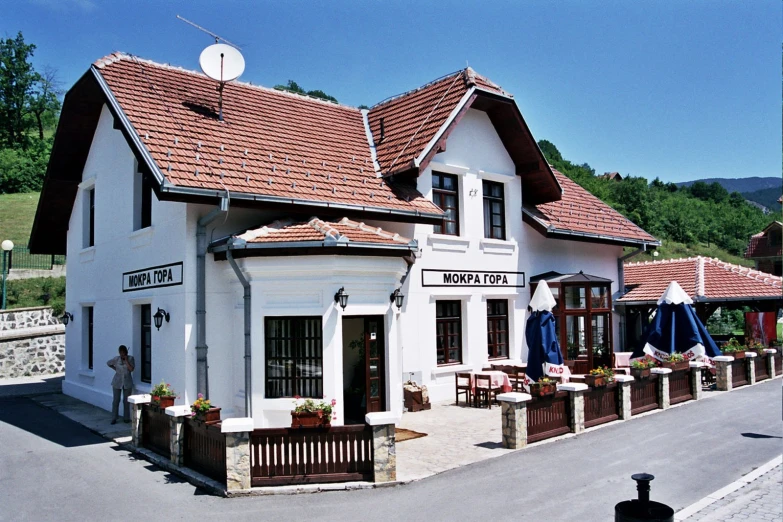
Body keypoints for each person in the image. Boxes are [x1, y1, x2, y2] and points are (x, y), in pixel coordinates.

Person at [107, 345, 135, 424]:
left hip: (127, 382)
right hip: (117, 381)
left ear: (126, 352)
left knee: (126, 401)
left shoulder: (131, 359)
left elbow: (131, 369)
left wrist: (126, 360)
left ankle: (126, 418)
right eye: (121, 353)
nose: (122, 355)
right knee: (116, 400)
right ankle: (114, 417)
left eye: (124, 353)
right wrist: (115, 369)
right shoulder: (116, 359)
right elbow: (108, 363)